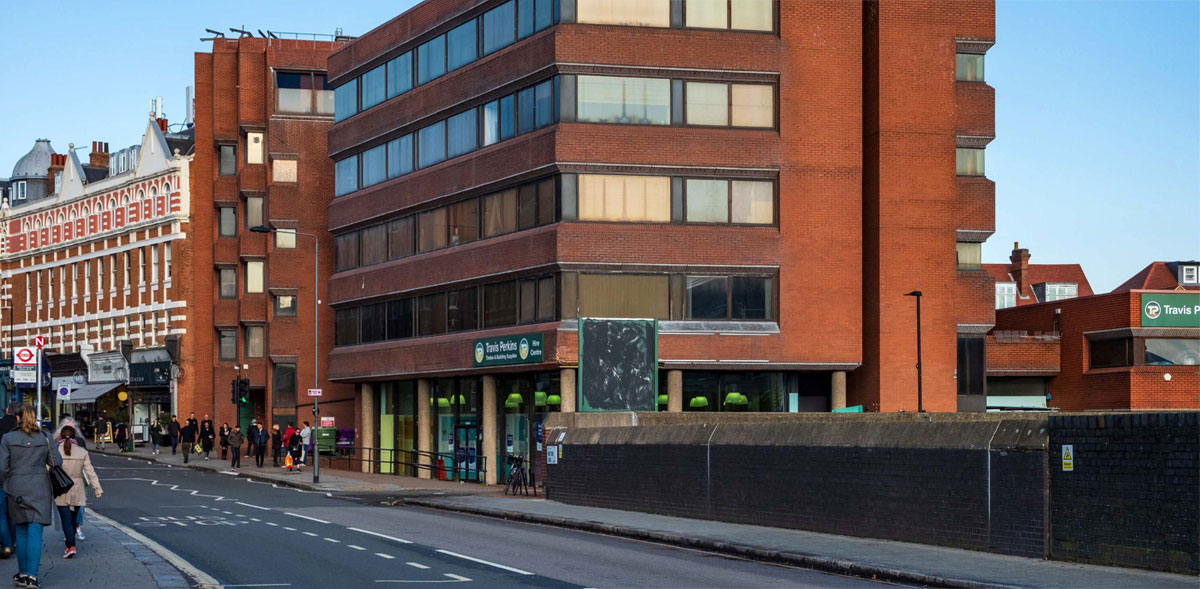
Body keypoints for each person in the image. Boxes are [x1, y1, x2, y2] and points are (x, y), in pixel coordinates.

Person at [0, 403, 63, 588]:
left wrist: (5, 483)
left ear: (17, 418)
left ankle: (22, 573)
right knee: (35, 531)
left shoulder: (8, 438)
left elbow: (2, 468)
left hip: (16, 487)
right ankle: (32, 576)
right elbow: (56, 462)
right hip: (40, 487)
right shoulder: (45, 437)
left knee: (21, 531)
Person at [54, 425, 101, 559]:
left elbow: (47, 470)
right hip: (78, 488)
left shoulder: (55, 451)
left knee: (65, 519)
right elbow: (90, 472)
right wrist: (97, 488)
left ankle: (70, 545)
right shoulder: (82, 452)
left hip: (61, 488)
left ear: (61, 436)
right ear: (74, 436)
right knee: (74, 518)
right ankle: (70, 543)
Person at [0, 403, 19, 559]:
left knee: (1, 514)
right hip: (17, 478)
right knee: (13, 512)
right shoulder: (21, 432)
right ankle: (13, 542)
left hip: (1, 477)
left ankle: (6, 545)